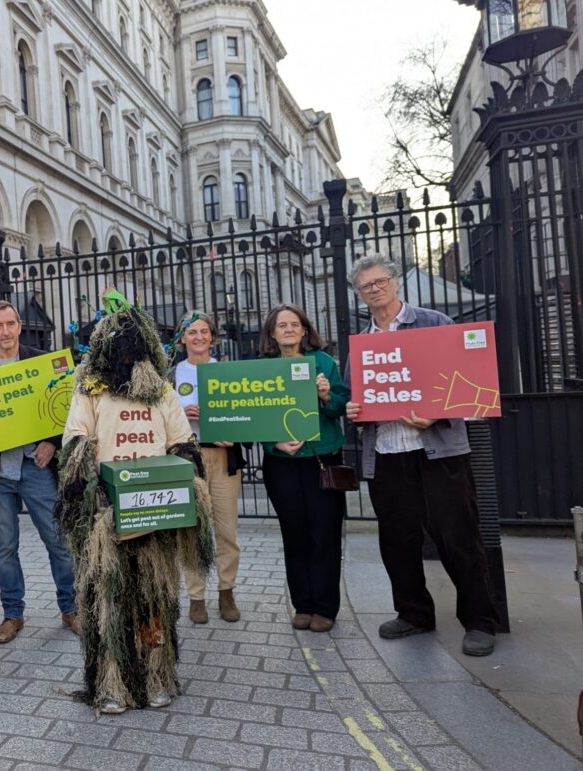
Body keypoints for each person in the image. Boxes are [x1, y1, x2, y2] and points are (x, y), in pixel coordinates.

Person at [57, 290, 214, 714]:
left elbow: (183, 443)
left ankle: (156, 676)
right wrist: (96, 490)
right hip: (107, 517)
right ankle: (111, 684)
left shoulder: (162, 393)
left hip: (155, 512)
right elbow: (76, 444)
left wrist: (179, 483)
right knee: (108, 601)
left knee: (154, 598)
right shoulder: (89, 390)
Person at [345, 254, 499, 657]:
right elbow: (353, 397)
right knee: (398, 541)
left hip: (438, 455)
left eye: (380, 281)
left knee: (458, 538)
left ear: (396, 282)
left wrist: (437, 413)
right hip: (386, 454)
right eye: (366, 286)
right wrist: (353, 411)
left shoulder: (435, 324)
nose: (374, 289)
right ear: (359, 294)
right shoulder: (361, 344)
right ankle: (414, 613)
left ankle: (480, 621)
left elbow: (469, 387)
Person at [0, 300, 77, 644]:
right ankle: (12, 614)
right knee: (5, 547)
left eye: (10, 324)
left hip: (35, 467)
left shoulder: (44, 364)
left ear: (20, 325)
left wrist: (52, 441)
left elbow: (64, 410)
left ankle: (70, 608)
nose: (5, 331)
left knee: (57, 540)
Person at [258, 304, 350, 633]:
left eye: (294, 324)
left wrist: (326, 397)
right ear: (272, 333)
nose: (288, 329)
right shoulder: (263, 369)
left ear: (304, 330)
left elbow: (343, 405)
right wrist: (273, 444)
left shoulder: (323, 362)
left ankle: (325, 607)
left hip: (321, 460)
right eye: (281, 325)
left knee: (324, 535)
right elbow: (254, 418)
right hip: (281, 466)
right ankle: (303, 605)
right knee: (294, 535)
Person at [172, 311, 247, 625]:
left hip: (222, 458)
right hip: (188, 458)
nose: (199, 337)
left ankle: (227, 591)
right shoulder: (170, 374)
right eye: (192, 332)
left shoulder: (228, 372)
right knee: (191, 531)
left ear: (212, 337)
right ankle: (196, 596)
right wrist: (182, 415)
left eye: (204, 331)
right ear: (183, 339)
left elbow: (247, 414)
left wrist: (235, 433)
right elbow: (159, 420)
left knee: (226, 530)